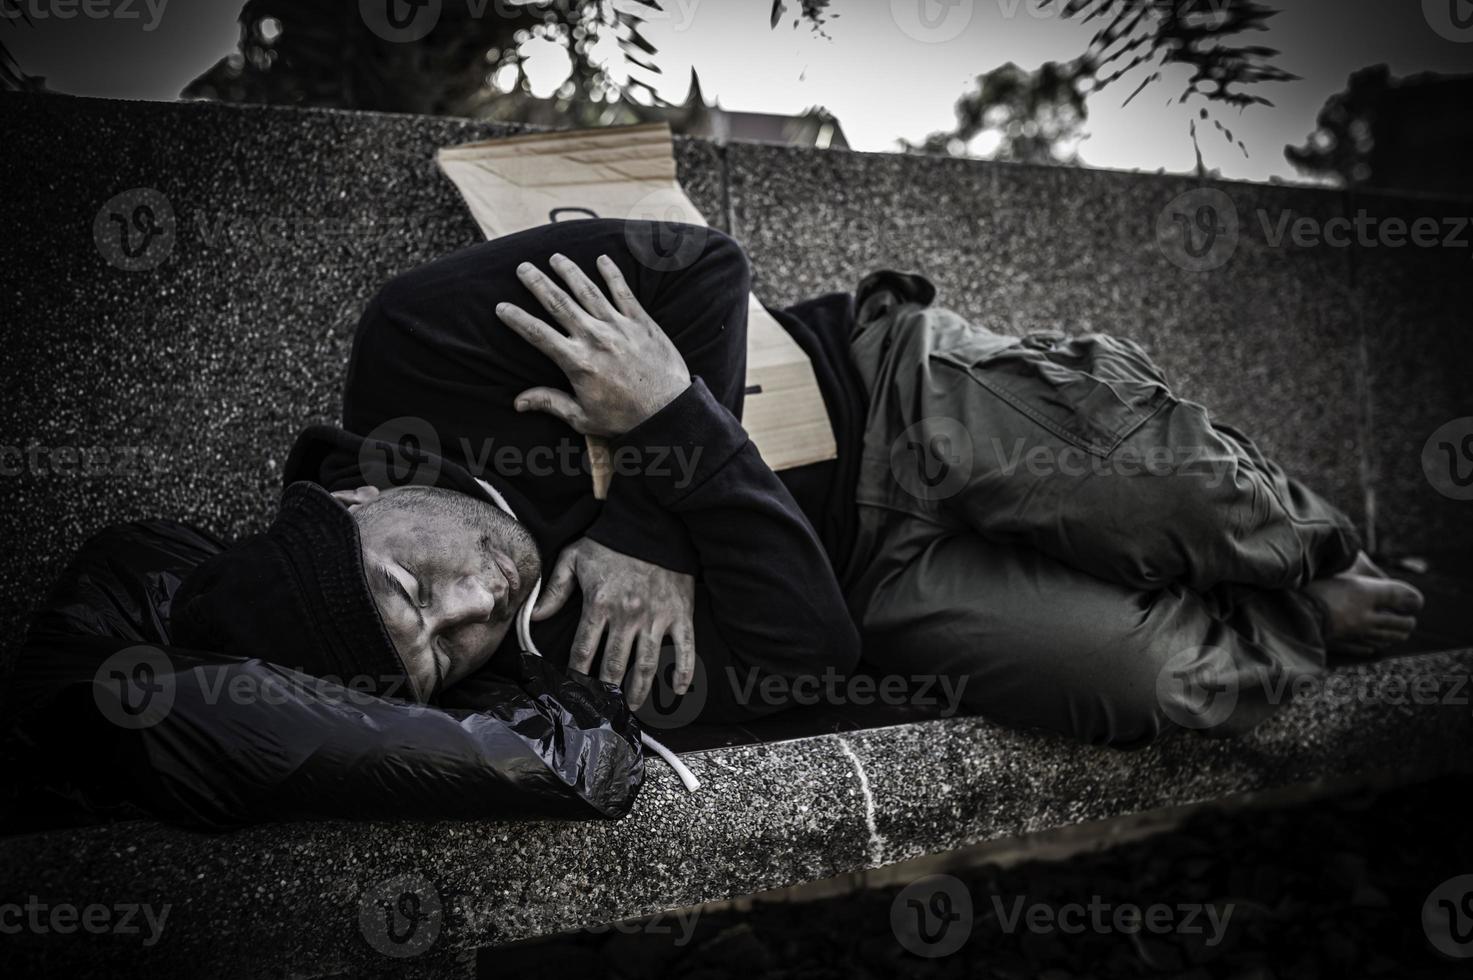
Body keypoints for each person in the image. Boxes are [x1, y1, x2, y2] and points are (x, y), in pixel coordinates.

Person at [168, 218, 1424, 745]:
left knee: (1181, 504)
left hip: (889, 391)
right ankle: (1306, 621)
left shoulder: (416, 355)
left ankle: (1317, 552)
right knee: (1151, 678)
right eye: (436, 657)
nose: (464, 615)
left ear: (349, 499)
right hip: (884, 584)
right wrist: (664, 418)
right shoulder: (545, 673)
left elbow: (701, 268)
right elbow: (804, 643)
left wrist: (656, 526)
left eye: (409, 584)